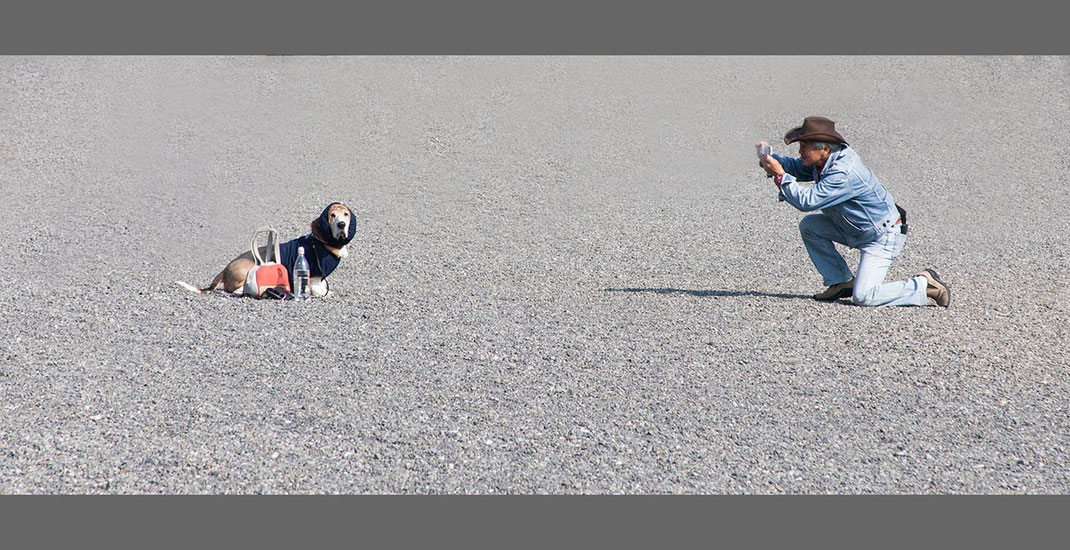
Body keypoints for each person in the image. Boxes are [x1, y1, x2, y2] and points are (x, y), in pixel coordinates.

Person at [756, 116, 950, 307]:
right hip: (857, 228)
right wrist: (771, 160)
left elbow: (807, 202)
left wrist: (780, 175)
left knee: (865, 296)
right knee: (810, 226)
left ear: (824, 149)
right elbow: (798, 167)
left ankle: (924, 285)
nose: (800, 151)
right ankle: (841, 281)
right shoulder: (825, 160)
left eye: (805, 146)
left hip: (881, 236)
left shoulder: (843, 172)